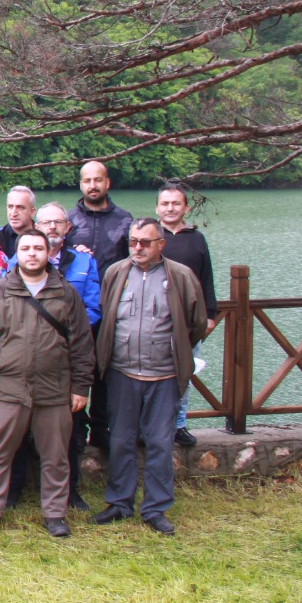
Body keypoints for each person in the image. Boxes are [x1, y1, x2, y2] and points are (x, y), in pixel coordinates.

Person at [0, 231, 95, 537]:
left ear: (48, 253)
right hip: (7, 388)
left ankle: (55, 514)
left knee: (55, 455)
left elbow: (82, 343)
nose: (33, 253)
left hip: (54, 389)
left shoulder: (65, 294)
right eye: (26, 248)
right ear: (18, 254)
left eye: (39, 248)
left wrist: (80, 387)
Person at [93, 220, 208, 535]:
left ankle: (156, 509)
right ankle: (119, 503)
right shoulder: (116, 273)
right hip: (122, 372)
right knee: (121, 440)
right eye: (133, 242)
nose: (138, 248)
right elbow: (106, 311)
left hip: (164, 375)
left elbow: (196, 324)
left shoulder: (181, 277)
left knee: (159, 442)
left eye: (145, 242)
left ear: (161, 244)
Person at [9, 201, 104, 510]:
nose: (52, 227)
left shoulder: (84, 263)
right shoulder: (17, 259)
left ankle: (70, 492)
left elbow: (92, 308)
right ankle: (15, 490)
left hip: (64, 361)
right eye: (46, 222)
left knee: (71, 431)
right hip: (24, 361)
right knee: (19, 430)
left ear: (67, 227)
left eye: (57, 223)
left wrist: (60, 333)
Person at [155, 181, 218, 448]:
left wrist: (210, 315)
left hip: (190, 322)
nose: (170, 208)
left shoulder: (196, 239)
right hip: (155, 320)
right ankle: (150, 427)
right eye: (165, 203)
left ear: (186, 207)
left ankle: (179, 425)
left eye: (176, 203)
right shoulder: (149, 237)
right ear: (156, 207)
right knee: (152, 376)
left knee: (185, 375)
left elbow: (207, 279)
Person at [68, 161, 133, 274]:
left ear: (107, 183)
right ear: (81, 185)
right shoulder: (69, 219)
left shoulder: (125, 220)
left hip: (113, 288)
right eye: (87, 181)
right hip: (77, 289)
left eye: (98, 180)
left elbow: (133, 258)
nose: (92, 186)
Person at [0, 185, 37, 259]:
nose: (13, 213)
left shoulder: (44, 237)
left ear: (32, 212)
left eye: (20, 207)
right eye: (10, 207)